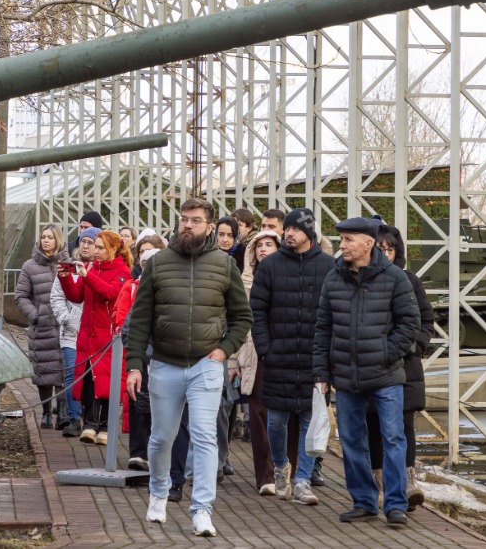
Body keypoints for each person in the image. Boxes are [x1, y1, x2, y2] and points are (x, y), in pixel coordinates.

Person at [126, 198, 253, 538]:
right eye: (184, 219)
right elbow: (140, 319)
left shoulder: (224, 265)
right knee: (161, 438)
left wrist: (224, 350)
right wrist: (135, 365)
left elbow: (242, 317)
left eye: (195, 220)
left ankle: (202, 510)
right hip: (164, 364)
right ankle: (158, 492)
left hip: (206, 364)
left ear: (209, 227)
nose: (187, 225)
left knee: (204, 436)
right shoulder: (159, 263)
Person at [313, 216, 419, 526]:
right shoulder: (334, 279)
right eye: (342, 239)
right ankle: (364, 502)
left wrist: (386, 354)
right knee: (351, 439)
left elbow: (410, 323)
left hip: (386, 375)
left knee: (393, 438)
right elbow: (323, 329)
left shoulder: (395, 278)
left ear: (368, 243)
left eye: (349, 239)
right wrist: (321, 373)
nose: (342, 245)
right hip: (346, 376)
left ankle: (396, 504)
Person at [250, 207, 335, 505]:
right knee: (276, 421)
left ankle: (302, 481)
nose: (288, 233)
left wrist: (329, 357)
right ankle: (281, 466)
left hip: (315, 359)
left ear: (309, 232)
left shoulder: (329, 267)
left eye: (295, 229)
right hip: (278, 358)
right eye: (286, 228)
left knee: (310, 420)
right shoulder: (270, 266)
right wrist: (265, 348)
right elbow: (257, 311)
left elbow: (336, 314)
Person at [368, 223, 431, 510]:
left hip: (406, 365)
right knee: (374, 424)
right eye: (380, 248)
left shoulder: (410, 281)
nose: (385, 254)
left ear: (397, 252)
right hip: (373, 363)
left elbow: (426, 319)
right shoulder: (363, 279)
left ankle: (408, 482)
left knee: (404, 424)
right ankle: (381, 483)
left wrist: (416, 346)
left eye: (390, 249)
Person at [61, 228, 133, 445]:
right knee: (89, 382)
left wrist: (87, 275)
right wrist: (65, 278)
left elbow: (110, 292)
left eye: (100, 248)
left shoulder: (123, 271)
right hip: (88, 335)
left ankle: (105, 426)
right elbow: (76, 296)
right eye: (96, 247)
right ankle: (90, 424)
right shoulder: (92, 268)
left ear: (113, 250)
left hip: (108, 338)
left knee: (108, 383)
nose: (96, 251)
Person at [237, 229, 287, 495]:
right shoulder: (243, 283)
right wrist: (233, 360)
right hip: (253, 354)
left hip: (283, 352)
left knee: (284, 415)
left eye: (269, 244)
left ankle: (285, 469)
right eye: (259, 245)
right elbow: (234, 320)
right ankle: (265, 476)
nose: (263, 249)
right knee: (257, 414)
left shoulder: (287, 277)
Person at [14, 224, 69, 430]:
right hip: (42, 328)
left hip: (64, 327)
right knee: (44, 372)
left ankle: (62, 412)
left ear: (58, 240)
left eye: (50, 237)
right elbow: (21, 296)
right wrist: (35, 315)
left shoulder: (67, 264)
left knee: (64, 370)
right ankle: (46, 413)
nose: (46, 240)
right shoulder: (30, 266)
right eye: (43, 237)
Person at [117, 246, 161, 472]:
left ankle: (156, 455)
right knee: (139, 404)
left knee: (159, 409)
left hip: (163, 361)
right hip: (143, 359)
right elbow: (128, 326)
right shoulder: (139, 289)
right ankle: (138, 452)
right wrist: (140, 354)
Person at [52, 227, 93, 437]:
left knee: (92, 377)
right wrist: (66, 318)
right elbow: (57, 296)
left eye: (90, 243)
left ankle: (92, 419)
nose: (85, 246)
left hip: (94, 333)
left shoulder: (100, 269)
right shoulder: (71, 267)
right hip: (72, 332)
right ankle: (75, 417)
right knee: (72, 372)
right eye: (82, 241)